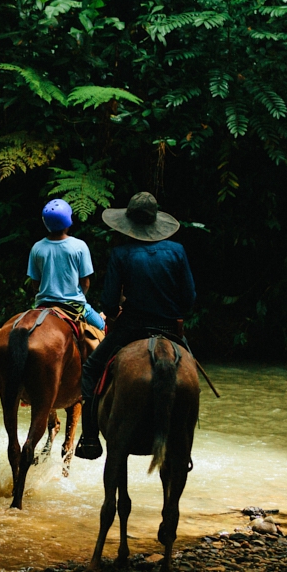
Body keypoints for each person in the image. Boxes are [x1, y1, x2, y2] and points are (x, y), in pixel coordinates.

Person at [75, 192, 196, 460]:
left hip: (130, 329)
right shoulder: (177, 251)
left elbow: (108, 304)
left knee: (91, 369)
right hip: (169, 331)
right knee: (192, 376)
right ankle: (184, 449)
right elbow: (189, 299)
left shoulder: (121, 253)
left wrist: (115, 310)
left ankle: (90, 438)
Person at [27, 199, 106, 332]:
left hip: (44, 305)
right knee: (102, 327)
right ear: (68, 222)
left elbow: (35, 283)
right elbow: (85, 282)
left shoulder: (37, 248)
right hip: (74, 306)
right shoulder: (79, 246)